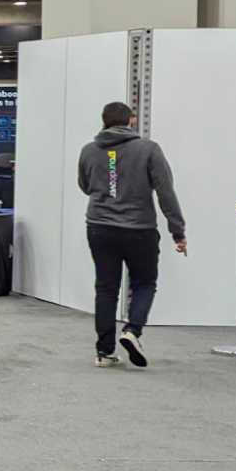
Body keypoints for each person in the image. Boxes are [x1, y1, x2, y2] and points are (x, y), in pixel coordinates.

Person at [78, 102, 186, 369]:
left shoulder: (89, 150)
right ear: (132, 121)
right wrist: (177, 231)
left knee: (105, 288)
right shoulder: (148, 149)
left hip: (99, 227)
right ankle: (132, 331)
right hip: (139, 229)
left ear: (103, 122)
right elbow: (165, 192)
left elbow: (85, 185)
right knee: (144, 284)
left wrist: (109, 188)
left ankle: (104, 352)